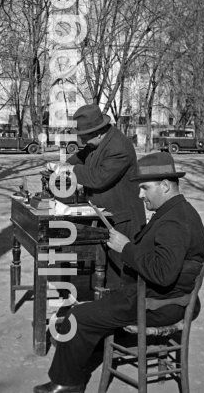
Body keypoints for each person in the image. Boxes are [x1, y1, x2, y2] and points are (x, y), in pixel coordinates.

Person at [34, 152, 204, 393]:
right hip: (162, 298)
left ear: (165, 186)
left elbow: (163, 273)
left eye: (145, 188)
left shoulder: (174, 222)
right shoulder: (180, 212)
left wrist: (125, 248)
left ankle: (66, 384)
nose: (140, 194)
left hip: (157, 304)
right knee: (93, 309)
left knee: (77, 317)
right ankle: (80, 360)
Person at [47, 103, 146, 288]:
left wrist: (71, 170)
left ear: (98, 132)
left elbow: (98, 178)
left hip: (123, 218)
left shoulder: (119, 147)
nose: (82, 142)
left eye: (84, 137)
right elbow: (80, 156)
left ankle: (123, 311)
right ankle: (105, 304)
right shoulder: (96, 141)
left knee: (121, 272)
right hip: (105, 214)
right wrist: (60, 167)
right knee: (104, 266)